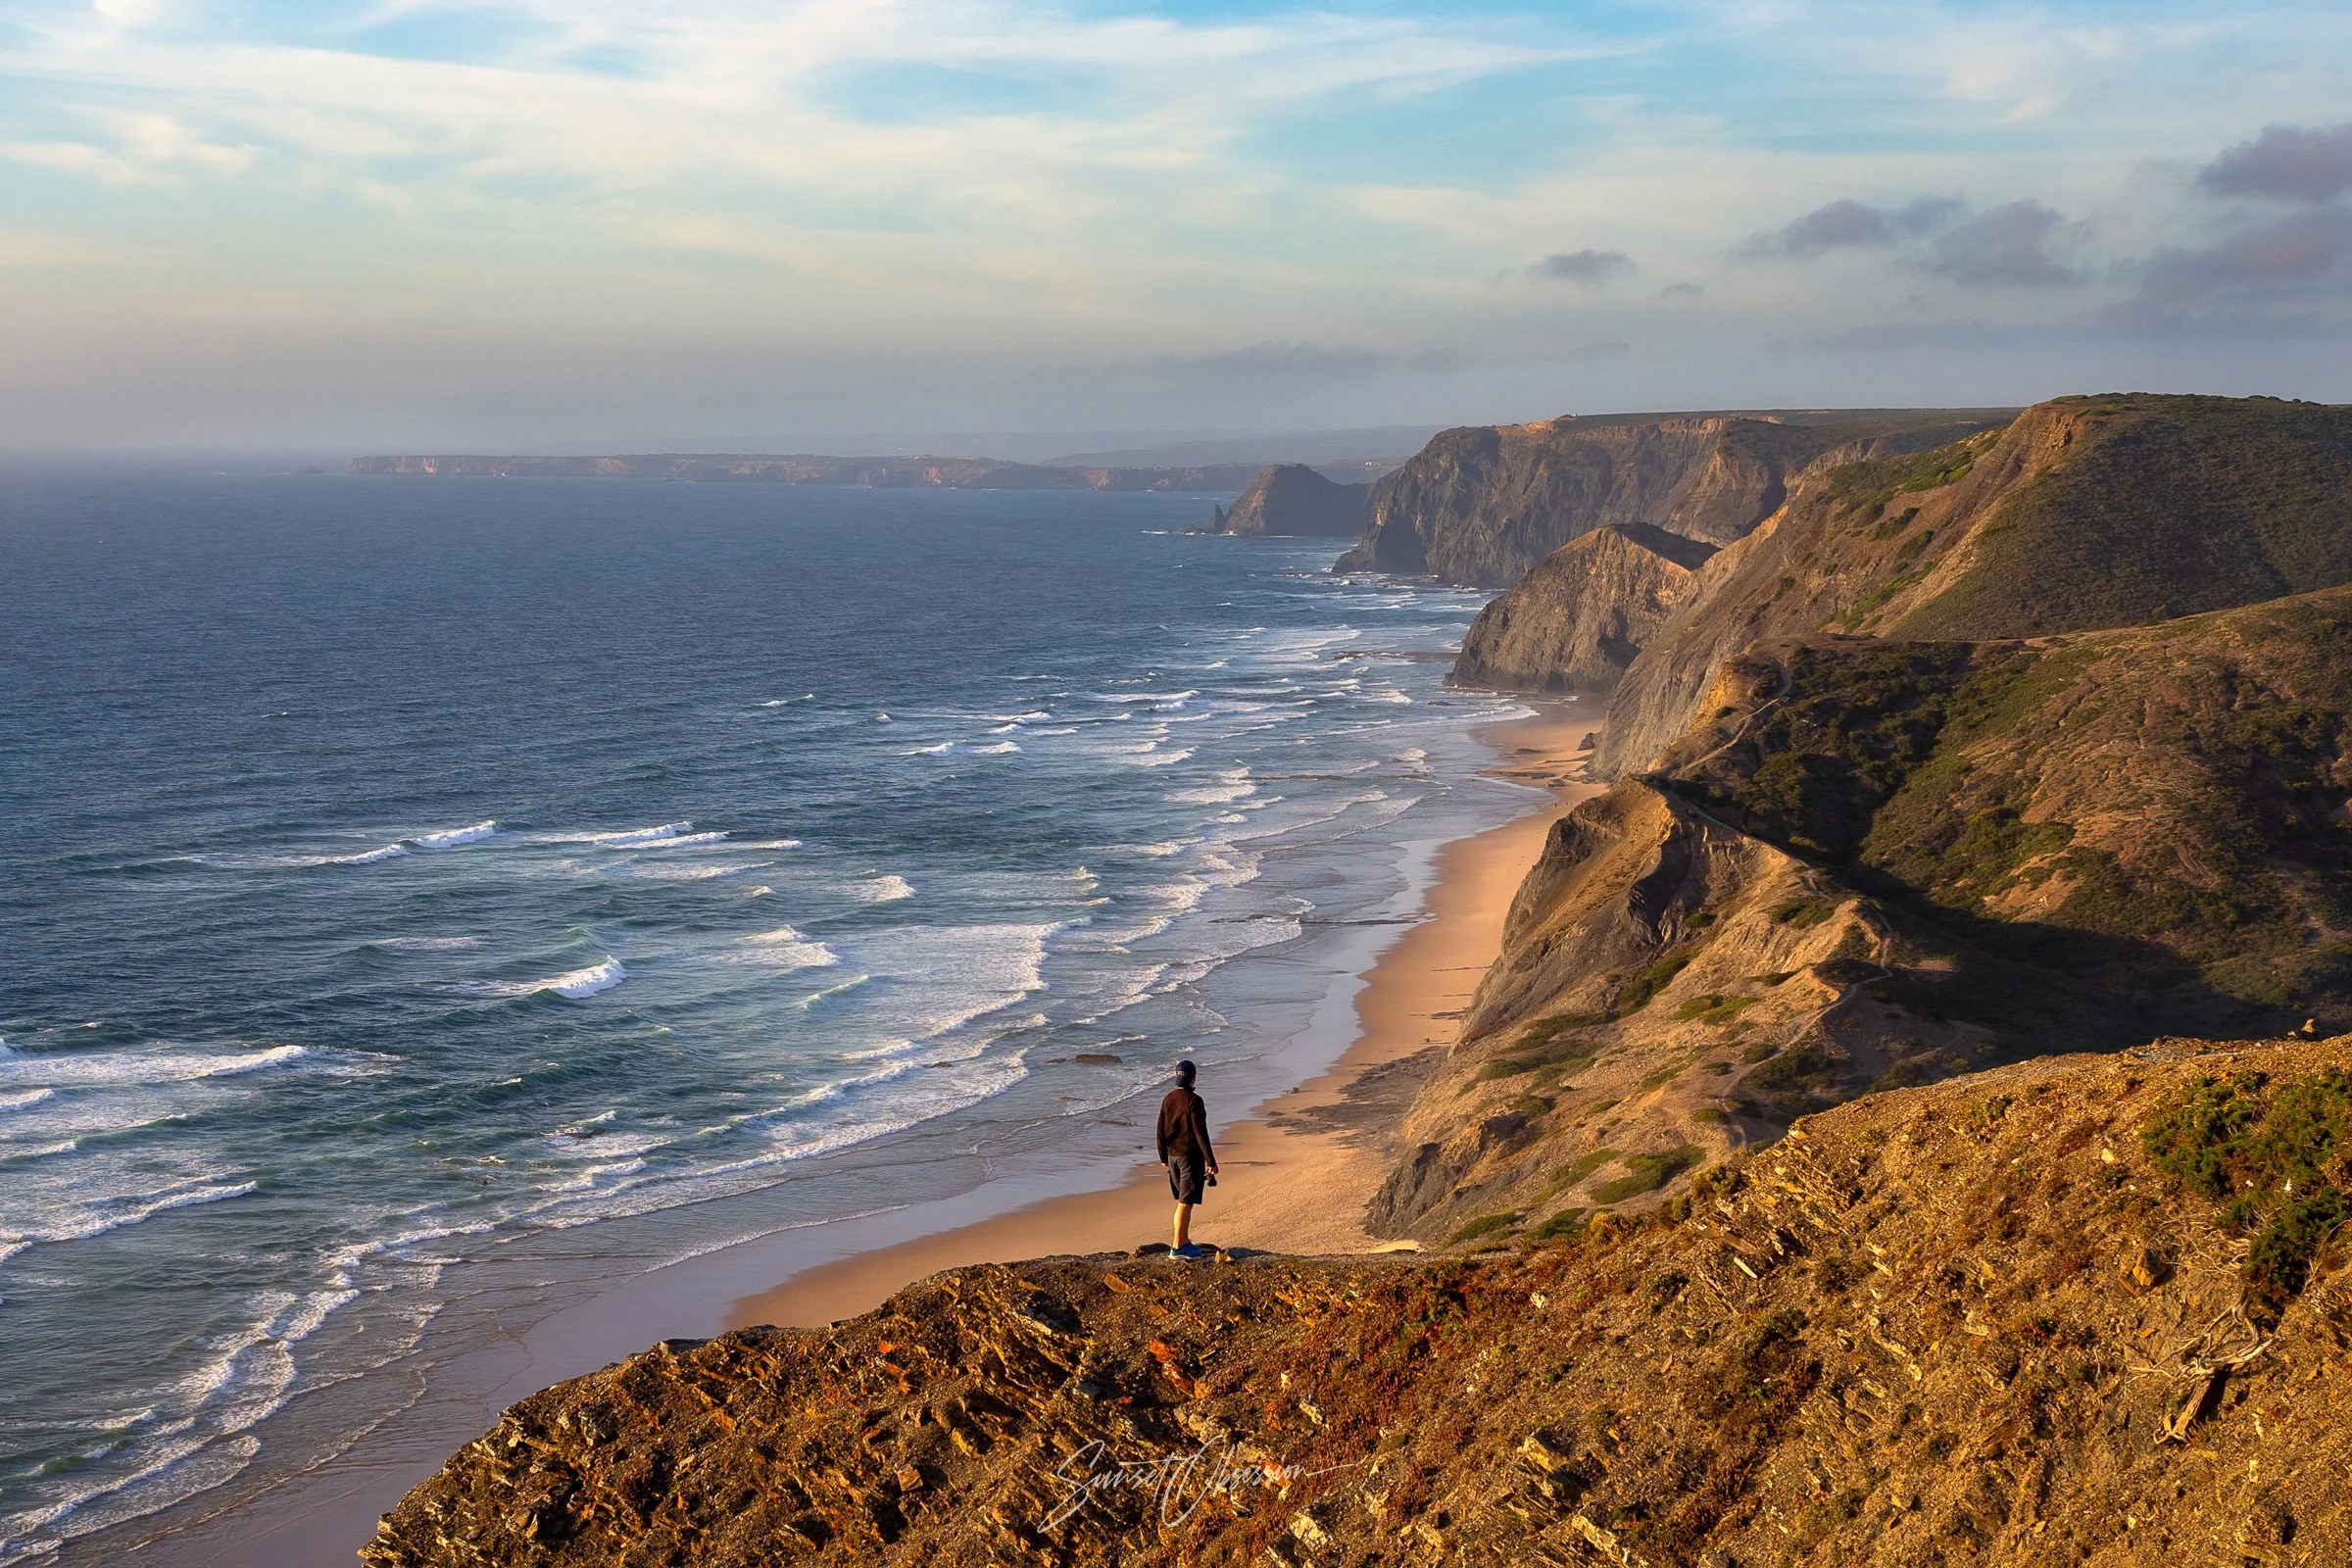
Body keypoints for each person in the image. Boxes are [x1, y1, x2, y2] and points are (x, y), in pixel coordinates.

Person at [1155, 1059, 1218, 1258]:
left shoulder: (1168, 1098)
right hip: (1189, 1158)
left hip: (1173, 1156)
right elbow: (1201, 1133)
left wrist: (1163, 1156)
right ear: (1193, 1077)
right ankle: (1178, 1246)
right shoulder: (1194, 1101)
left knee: (1184, 1201)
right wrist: (1211, 1162)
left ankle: (1183, 1239)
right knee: (1185, 1202)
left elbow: (1160, 1129)